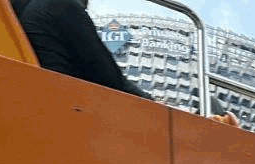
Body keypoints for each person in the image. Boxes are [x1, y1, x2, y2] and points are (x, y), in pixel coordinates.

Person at [10, 0, 151, 98]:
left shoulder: (17, 10)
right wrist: (152, 102)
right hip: (68, 105)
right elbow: (110, 78)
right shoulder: (61, 6)